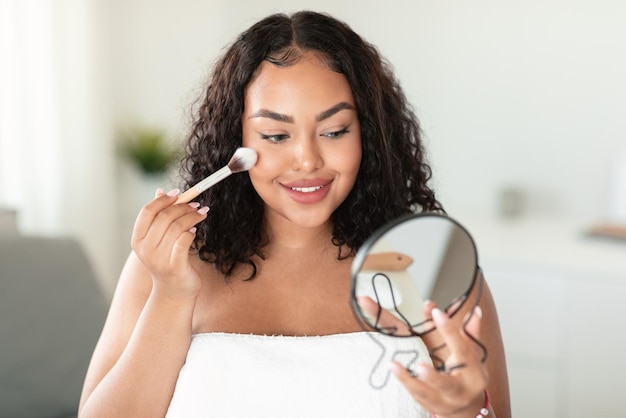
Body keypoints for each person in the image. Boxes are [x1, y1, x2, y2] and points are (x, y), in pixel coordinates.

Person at [78, 10, 511, 418]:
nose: (306, 160)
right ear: (237, 139)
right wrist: (170, 296)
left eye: (334, 131)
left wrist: (468, 410)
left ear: (370, 135)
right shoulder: (168, 266)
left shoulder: (437, 268)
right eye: (276, 134)